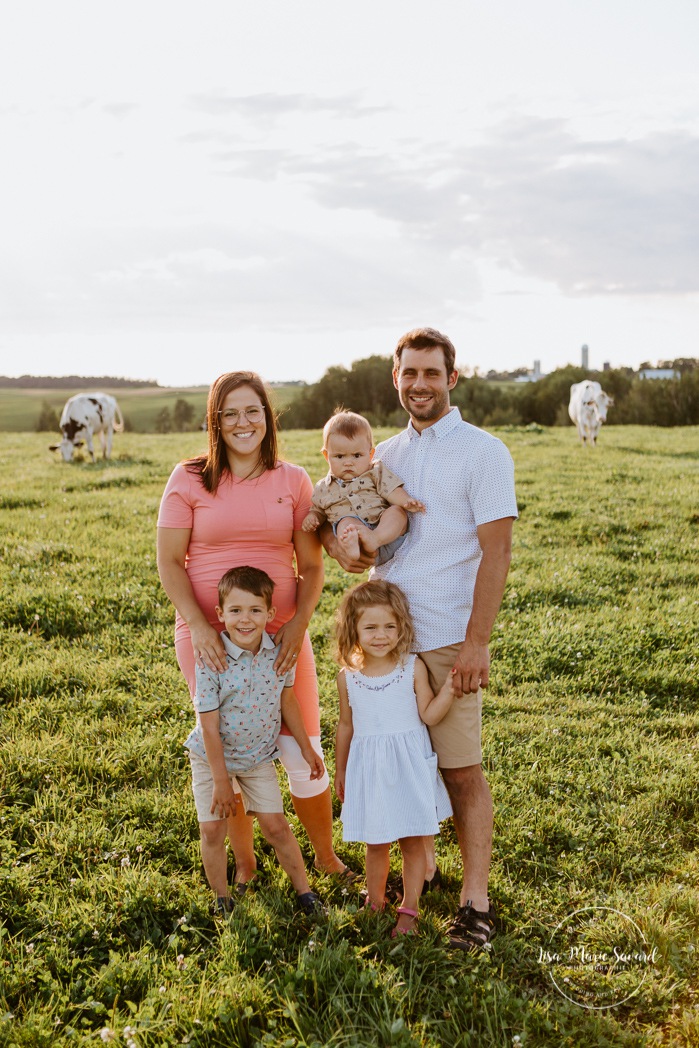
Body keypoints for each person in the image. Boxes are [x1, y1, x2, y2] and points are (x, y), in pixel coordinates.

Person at [323, 328, 518, 951]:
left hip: (448, 639)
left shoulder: (484, 452)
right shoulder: (383, 459)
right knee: (395, 759)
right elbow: (340, 528)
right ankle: (420, 870)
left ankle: (476, 903)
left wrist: (477, 642)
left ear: (452, 378)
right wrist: (346, 550)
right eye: (410, 373)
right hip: (384, 643)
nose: (420, 384)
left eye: (431, 373)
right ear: (396, 379)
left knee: (460, 769)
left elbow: (497, 551)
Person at [157, 370, 355, 892]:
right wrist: (200, 627)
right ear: (215, 422)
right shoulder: (189, 478)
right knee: (234, 744)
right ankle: (245, 864)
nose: (243, 422)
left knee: (301, 740)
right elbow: (170, 562)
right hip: (209, 639)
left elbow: (311, 569)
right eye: (231, 413)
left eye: (254, 411)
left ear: (268, 417)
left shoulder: (292, 480)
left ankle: (325, 856)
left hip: (282, 635)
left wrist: (297, 628)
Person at [186, 565, 326, 915]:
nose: (244, 620)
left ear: (270, 613)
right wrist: (221, 781)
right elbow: (208, 724)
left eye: (254, 610)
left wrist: (307, 749)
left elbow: (288, 700)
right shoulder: (210, 657)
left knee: (276, 827)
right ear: (220, 614)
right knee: (212, 830)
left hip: (257, 758)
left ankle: (306, 894)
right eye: (235, 610)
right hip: (211, 758)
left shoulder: (279, 653)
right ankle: (222, 899)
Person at [334, 580, 454, 936]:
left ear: (401, 626)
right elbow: (345, 725)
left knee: (412, 841)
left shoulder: (410, 667)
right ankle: (375, 901)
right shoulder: (349, 678)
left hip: (409, 767)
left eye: (390, 626)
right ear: (353, 630)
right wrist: (341, 770)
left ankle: (410, 910)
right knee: (377, 841)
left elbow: (429, 714)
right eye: (370, 627)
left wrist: (449, 688)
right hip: (370, 769)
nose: (381, 635)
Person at [302, 410, 425, 564]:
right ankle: (353, 545)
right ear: (327, 456)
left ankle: (374, 538)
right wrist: (313, 518)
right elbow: (318, 510)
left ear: (370, 454)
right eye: (339, 456)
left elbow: (391, 489)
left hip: (386, 535)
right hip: (359, 545)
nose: (348, 462)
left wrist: (406, 501)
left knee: (397, 511)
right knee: (346, 522)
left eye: (357, 455)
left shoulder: (375, 471)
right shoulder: (323, 487)